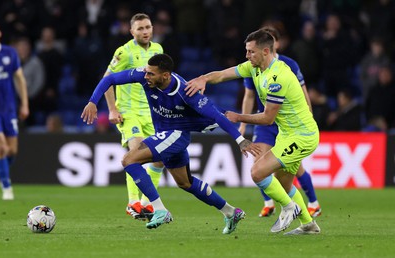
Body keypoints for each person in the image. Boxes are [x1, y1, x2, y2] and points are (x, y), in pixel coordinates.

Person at [81, 53, 257, 233]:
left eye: (151, 74)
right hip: (166, 134)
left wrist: (240, 140)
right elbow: (110, 78)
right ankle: (230, 212)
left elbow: (217, 116)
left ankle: (159, 209)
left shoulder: (186, 92)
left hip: (177, 135)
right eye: (146, 72)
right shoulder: (144, 76)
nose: (146, 76)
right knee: (185, 183)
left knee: (129, 160)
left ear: (165, 75)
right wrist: (92, 101)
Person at [186, 29, 321, 235]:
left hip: (302, 136)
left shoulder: (278, 77)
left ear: (266, 51)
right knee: (283, 184)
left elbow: (268, 118)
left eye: (251, 52)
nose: (247, 56)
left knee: (257, 172)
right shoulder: (255, 68)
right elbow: (223, 75)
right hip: (288, 134)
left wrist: (238, 117)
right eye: (246, 51)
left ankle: (289, 208)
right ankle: (308, 225)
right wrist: (203, 78)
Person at [238, 26, 321, 218]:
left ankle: (313, 203)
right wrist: (243, 125)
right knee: (259, 163)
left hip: (289, 124)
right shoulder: (254, 66)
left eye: (273, 39)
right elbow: (249, 96)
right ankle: (269, 203)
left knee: (293, 170)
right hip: (264, 121)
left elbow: (302, 92)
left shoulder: (288, 65)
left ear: (275, 44)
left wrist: (309, 115)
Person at [103, 13, 164, 220]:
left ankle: (147, 203)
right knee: (136, 151)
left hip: (151, 112)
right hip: (128, 111)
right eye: (140, 28)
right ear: (132, 32)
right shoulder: (124, 52)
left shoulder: (158, 50)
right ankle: (133, 202)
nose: (145, 31)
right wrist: (112, 109)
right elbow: (107, 80)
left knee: (161, 158)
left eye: (147, 27)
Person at [0, 23, 29, 200]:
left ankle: (0, 167)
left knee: (12, 151)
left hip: (8, 108)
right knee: (1, 146)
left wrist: (24, 104)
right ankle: (6, 186)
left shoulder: (9, 53)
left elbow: (20, 80)